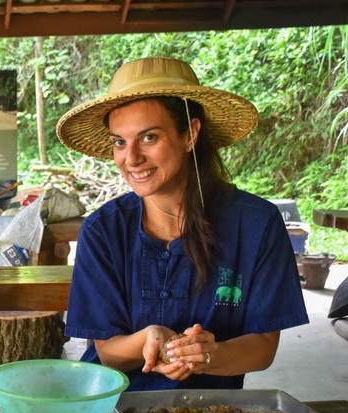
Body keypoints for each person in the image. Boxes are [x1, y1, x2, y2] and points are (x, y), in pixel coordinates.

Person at [55, 57, 308, 391]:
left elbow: (262, 347)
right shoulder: (104, 231)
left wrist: (208, 354)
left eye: (148, 138)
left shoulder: (256, 224)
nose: (131, 158)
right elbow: (108, 353)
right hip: (112, 412)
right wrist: (150, 337)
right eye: (119, 142)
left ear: (190, 134)